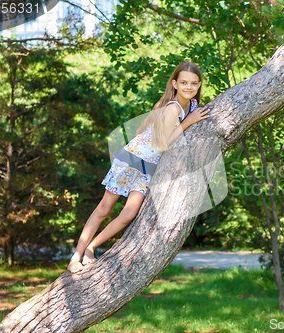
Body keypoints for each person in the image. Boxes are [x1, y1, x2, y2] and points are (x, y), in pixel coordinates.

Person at [67, 61, 209, 273]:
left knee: (128, 214)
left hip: (150, 167)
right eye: (184, 82)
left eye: (194, 83)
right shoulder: (173, 108)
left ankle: (92, 246)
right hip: (133, 159)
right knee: (104, 208)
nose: (189, 87)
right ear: (175, 84)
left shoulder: (192, 106)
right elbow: (163, 143)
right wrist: (187, 123)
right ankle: (76, 256)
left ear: (199, 85)